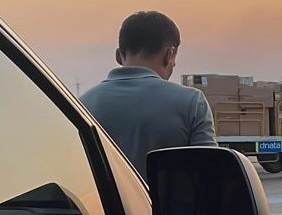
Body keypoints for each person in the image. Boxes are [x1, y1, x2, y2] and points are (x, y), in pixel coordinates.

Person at [80, 10, 216, 180]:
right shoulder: (192, 103)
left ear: (118, 56)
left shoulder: (83, 106)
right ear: (168, 54)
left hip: (101, 208)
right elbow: (212, 177)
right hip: (170, 208)